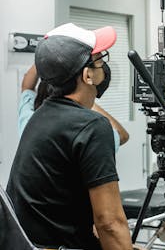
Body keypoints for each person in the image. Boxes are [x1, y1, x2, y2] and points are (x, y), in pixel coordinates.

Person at [7, 23, 134, 250]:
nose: (103, 67)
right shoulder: (92, 126)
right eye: (100, 60)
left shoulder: (40, 115)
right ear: (88, 75)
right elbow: (110, 223)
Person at [18, 64, 129, 152]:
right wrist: (86, 100)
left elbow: (27, 87)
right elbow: (122, 135)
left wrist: (45, 58)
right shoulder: (81, 132)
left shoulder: (28, 122)